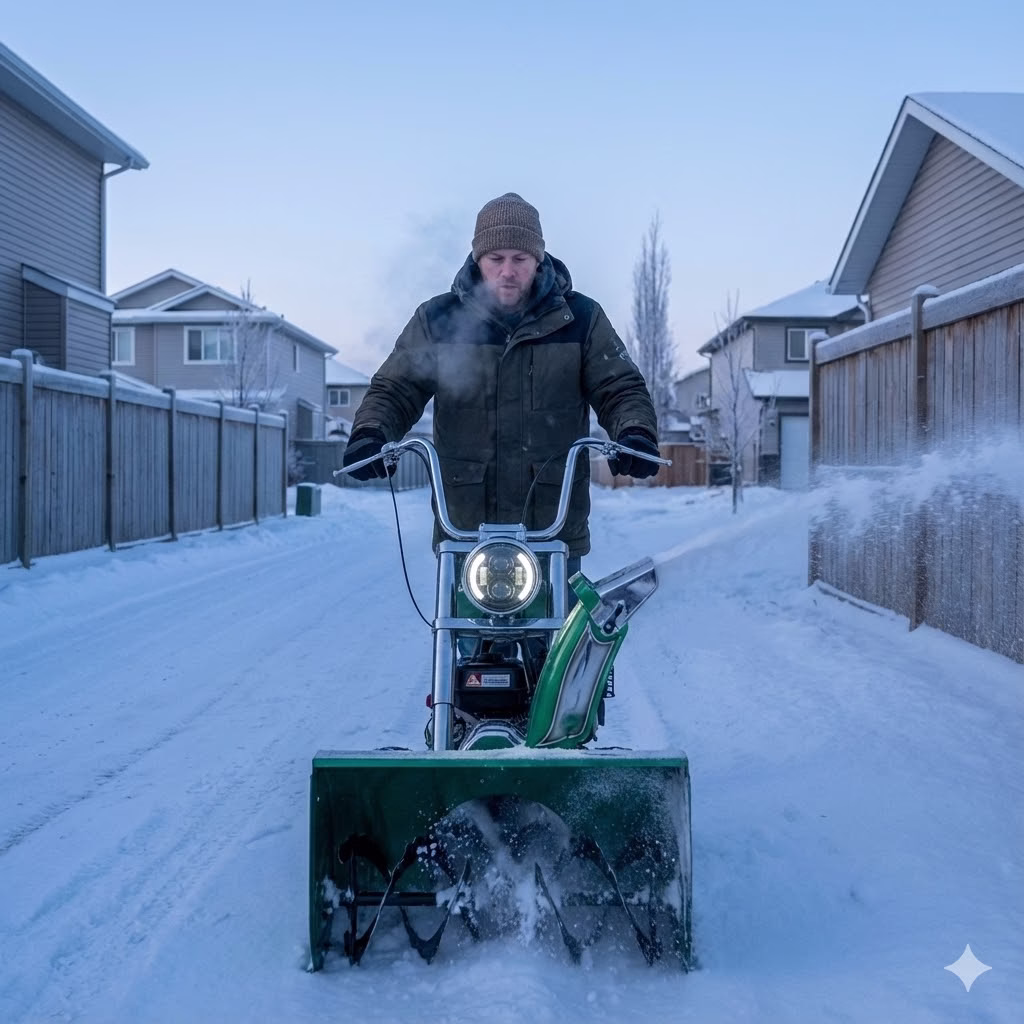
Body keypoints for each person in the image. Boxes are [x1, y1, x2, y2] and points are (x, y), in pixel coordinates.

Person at [343, 191, 661, 564]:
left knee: (563, 622)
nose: (508, 271)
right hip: (466, 527)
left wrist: (635, 432)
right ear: (479, 260)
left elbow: (619, 387)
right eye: (496, 259)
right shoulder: (438, 320)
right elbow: (397, 387)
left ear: (538, 260)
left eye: (520, 259)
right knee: (459, 623)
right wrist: (372, 433)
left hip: (552, 528)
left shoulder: (581, 319)